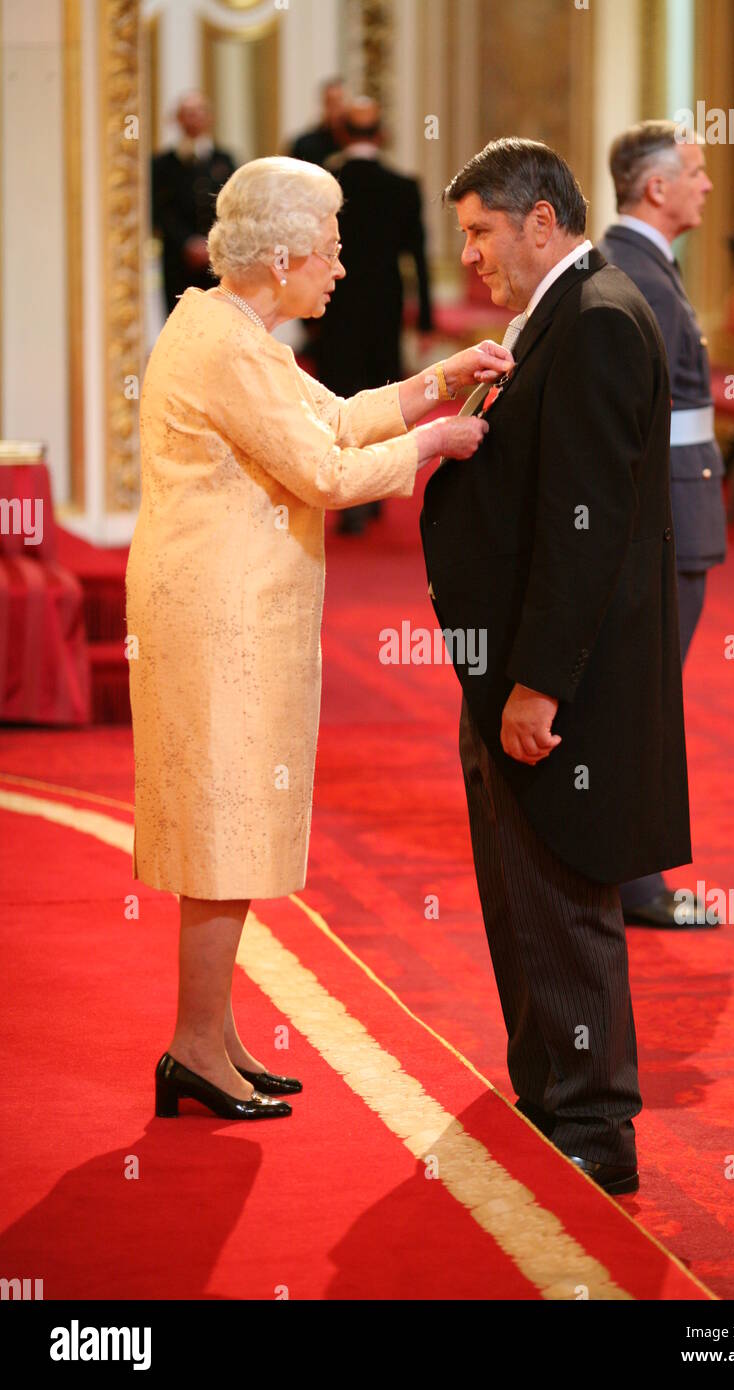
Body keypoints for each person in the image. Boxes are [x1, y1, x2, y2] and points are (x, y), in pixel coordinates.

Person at [126, 156, 511, 1122]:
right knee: (220, 832)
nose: (340, 268)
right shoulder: (227, 344)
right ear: (286, 253)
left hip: (233, 611)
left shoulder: (236, 329)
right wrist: (437, 442)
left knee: (237, 825)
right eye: (332, 251)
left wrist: (442, 379)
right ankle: (193, 1047)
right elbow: (324, 472)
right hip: (217, 617)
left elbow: (335, 419)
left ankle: (211, 1038)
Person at [420, 139, 691, 1196]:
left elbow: (588, 531)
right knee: (520, 891)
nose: (473, 257)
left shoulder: (596, 319)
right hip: (511, 670)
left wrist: (537, 682)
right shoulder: (562, 315)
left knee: (564, 893)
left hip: (555, 686)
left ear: (543, 222)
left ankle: (593, 1123)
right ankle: (545, 1087)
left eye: (482, 233)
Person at [599, 121, 726, 930]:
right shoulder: (637, 273)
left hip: (679, 513)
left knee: (643, 702)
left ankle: (628, 874)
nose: (707, 185)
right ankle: (634, 883)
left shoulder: (644, 264)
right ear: (657, 188)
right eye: (696, 172)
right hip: (666, 523)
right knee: (640, 706)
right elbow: (629, 426)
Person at [316, 96, 434, 535]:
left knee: (341, 396)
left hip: (335, 304)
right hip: (385, 305)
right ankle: (378, 486)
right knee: (383, 394)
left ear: (343, 133)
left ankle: (351, 501)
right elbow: (418, 257)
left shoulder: (327, 184)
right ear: (381, 134)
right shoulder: (403, 185)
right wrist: (423, 319)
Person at [151, 91, 236, 315]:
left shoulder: (225, 160)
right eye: (187, 113)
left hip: (216, 259)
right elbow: (160, 210)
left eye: (199, 112)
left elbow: (233, 208)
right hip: (178, 260)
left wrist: (211, 242)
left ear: (209, 117)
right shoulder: (162, 164)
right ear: (178, 119)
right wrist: (187, 243)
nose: (194, 118)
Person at [287, 77, 346, 167]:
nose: (334, 108)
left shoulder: (358, 142)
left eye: (339, 101)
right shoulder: (304, 144)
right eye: (329, 102)